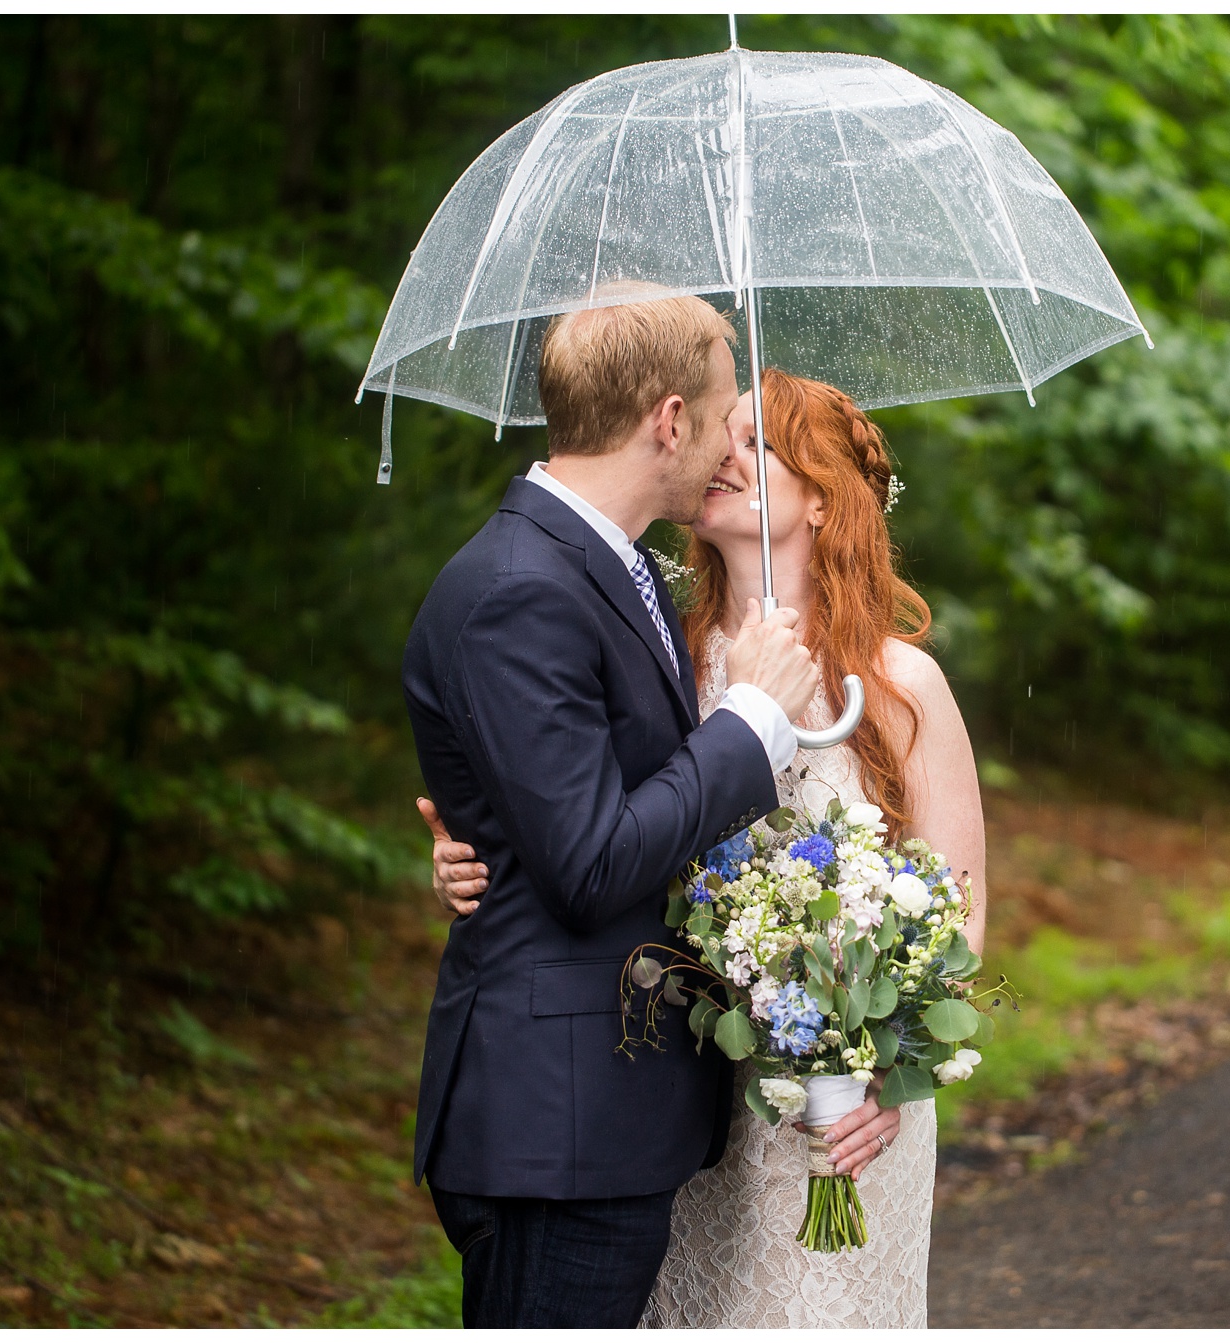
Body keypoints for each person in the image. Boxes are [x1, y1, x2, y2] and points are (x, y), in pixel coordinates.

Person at [425, 367, 988, 1327]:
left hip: (838, 1107)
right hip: (677, 1095)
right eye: (724, 435)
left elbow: (960, 916)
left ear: (822, 498)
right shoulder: (662, 668)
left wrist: (892, 1078)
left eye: (758, 444)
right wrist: (477, 861)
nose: (726, 455)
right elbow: (588, 835)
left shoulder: (899, 685)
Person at [400, 293, 821, 1328]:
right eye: (728, 417)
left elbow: (569, 801)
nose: (735, 443)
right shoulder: (520, 588)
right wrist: (754, 718)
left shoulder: (612, 562)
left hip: (605, 1111)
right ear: (667, 420)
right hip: (558, 1125)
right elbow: (588, 859)